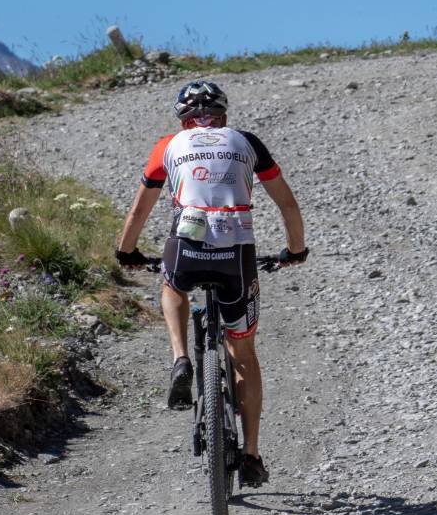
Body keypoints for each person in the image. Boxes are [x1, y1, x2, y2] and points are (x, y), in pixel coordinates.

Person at [114, 80, 308, 489]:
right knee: (244, 356)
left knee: (172, 286)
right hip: (236, 256)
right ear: (224, 116)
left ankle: (181, 357)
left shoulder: (168, 145)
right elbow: (287, 204)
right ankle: (251, 454)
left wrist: (126, 252)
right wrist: (295, 251)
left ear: (183, 120)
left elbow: (138, 210)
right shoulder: (246, 142)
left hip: (187, 247)